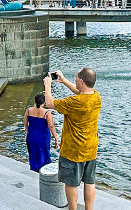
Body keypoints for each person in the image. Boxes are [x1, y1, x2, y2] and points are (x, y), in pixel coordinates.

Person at [44, 68, 101, 210]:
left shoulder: (73, 102)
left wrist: (47, 85)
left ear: (81, 81)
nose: (75, 80)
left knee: (71, 183)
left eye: (76, 78)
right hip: (91, 148)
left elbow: (49, 103)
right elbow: (81, 93)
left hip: (74, 151)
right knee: (89, 182)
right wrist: (63, 81)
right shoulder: (96, 96)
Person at [25, 92, 59, 172]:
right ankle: (43, 171)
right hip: (43, 138)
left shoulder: (29, 110)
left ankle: (34, 169)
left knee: (33, 154)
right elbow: (51, 126)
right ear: (44, 102)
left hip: (31, 136)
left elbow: (25, 122)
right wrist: (56, 138)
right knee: (44, 154)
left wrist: (27, 131)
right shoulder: (46, 112)